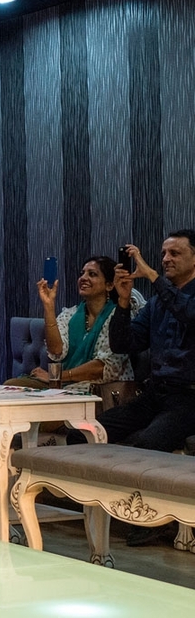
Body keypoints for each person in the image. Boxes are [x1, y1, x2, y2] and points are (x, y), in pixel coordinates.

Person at [93, 232, 195, 545]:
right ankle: (95, 509)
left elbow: (189, 314)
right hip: (155, 394)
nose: (166, 259)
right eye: (164, 253)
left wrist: (151, 275)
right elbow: (124, 343)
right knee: (89, 429)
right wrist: (122, 302)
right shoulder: (156, 304)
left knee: (148, 441)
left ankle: (154, 521)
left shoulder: (179, 298)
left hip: (189, 398)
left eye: (175, 253)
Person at [6, 256, 144, 390]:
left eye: (92, 274)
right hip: (66, 385)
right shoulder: (70, 314)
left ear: (109, 285)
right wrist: (49, 306)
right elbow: (56, 350)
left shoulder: (119, 316)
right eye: (82, 273)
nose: (83, 278)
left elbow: (103, 367)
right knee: (12, 386)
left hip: (102, 388)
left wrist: (58, 376)